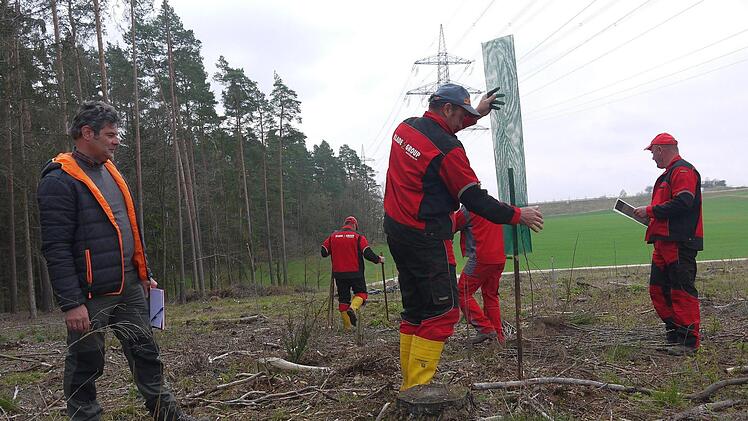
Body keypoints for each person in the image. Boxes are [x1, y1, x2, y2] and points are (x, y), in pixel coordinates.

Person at [37, 101, 196, 420]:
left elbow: (127, 227)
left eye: (116, 133)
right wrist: (71, 303)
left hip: (130, 287)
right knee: (85, 364)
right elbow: (56, 248)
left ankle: (167, 414)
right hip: (91, 297)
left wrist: (144, 272)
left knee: (146, 353)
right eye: (110, 134)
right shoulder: (59, 180)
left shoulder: (110, 170)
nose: (117, 140)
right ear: (87, 133)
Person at [383, 83, 544, 390]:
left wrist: (474, 114)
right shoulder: (449, 151)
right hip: (426, 237)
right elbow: (476, 200)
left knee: (415, 311)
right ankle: (418, 390)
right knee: (443, 313)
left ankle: (408, 383)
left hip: (396, 231)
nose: (464, 120)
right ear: (447, 109)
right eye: (462, 114)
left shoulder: (405, 129)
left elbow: (438, 133)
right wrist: (517, 215)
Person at [633, 133, 703, 355]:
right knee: (658, 290)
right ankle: (674, 334)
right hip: (662, 243)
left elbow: (684, 202)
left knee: (681, 290)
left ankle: (688, 341)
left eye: (652, 152)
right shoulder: (666, 176)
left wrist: (651, 211)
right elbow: (670, 208)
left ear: (660, 149)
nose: (652, 158)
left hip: (679, 242)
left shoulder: (682, 170)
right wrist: (649, 218)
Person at [453, 205, 507, 345]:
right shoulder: (493, 205)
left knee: (462, 291)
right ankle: (498, 337)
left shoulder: (469, 209)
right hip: (500, 257)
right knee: (490, 295)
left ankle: (485, 328)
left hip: (481, 258)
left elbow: (451, 226)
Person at [321, 216, 384, 329]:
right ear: (354, 225)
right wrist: (379, 259)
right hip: (356, 273)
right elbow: (367, 253)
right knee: (361, 294)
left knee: (343, 299)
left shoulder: (333, 236)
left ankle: (347, 327)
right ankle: (353, 308)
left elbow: (323, 252)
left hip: (339, 274)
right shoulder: (358, 237)